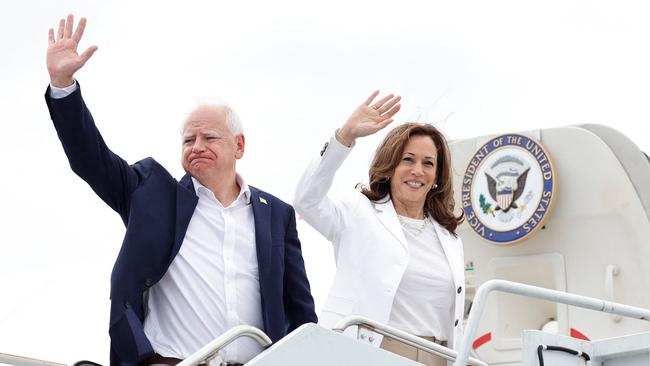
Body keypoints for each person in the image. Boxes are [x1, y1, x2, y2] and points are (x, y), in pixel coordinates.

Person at [44, 15, 316, 366]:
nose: (197, 146)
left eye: (209, 137)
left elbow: (301, 310)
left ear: (239, 145)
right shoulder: (150, 193)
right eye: (189, 139)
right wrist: (63, 84)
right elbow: (90, 159)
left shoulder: (277, 215)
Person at [294, 91, 465, 366]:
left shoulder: (449, 237)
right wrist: (344, 137)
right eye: (407, 159)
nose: (417, 171)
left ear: (436, 176)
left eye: (428, 163)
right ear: (390, 166)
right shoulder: (357, 213)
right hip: (373, 354)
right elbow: (306, 200)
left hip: (439, 357)